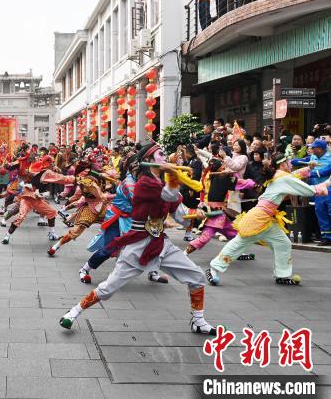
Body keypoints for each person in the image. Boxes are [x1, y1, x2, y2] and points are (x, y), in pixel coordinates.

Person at [59, 142, 217, 336]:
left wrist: (195, 215)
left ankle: (198, 321)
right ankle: (73, 312)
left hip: (161, 243)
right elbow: (168, 195)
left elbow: (179, 216)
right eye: (160, 154)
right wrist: (173, 176)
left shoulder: (163, 182)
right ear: (149, 161)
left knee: (196, 276)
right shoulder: (144, 183)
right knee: (108, 288)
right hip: (138, 245)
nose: (165, 157)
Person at [208, 153, 330, 285]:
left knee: (283, 243)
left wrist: (309, 169)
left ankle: (282, 275)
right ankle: (213, 268)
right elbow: (308, 190)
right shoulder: (283, 177)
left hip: (266, 219)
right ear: (283, 164)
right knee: (239, 243)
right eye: (288, 162)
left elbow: (293, 177)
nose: (290, 164)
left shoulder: (278, 174)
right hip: (259, 218)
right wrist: (328, 182)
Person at [292, 139, 331, 243]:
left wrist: (307, 173)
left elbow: (325, 171)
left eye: (313, 147)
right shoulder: (313, 157)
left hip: (329, 190)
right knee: (321, 213)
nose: (311, 149)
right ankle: (326, 238)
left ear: (320, 149)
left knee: (330, 212)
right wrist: (307, 162)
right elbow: (294, 161)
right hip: (318, 191)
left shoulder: (330, 158)